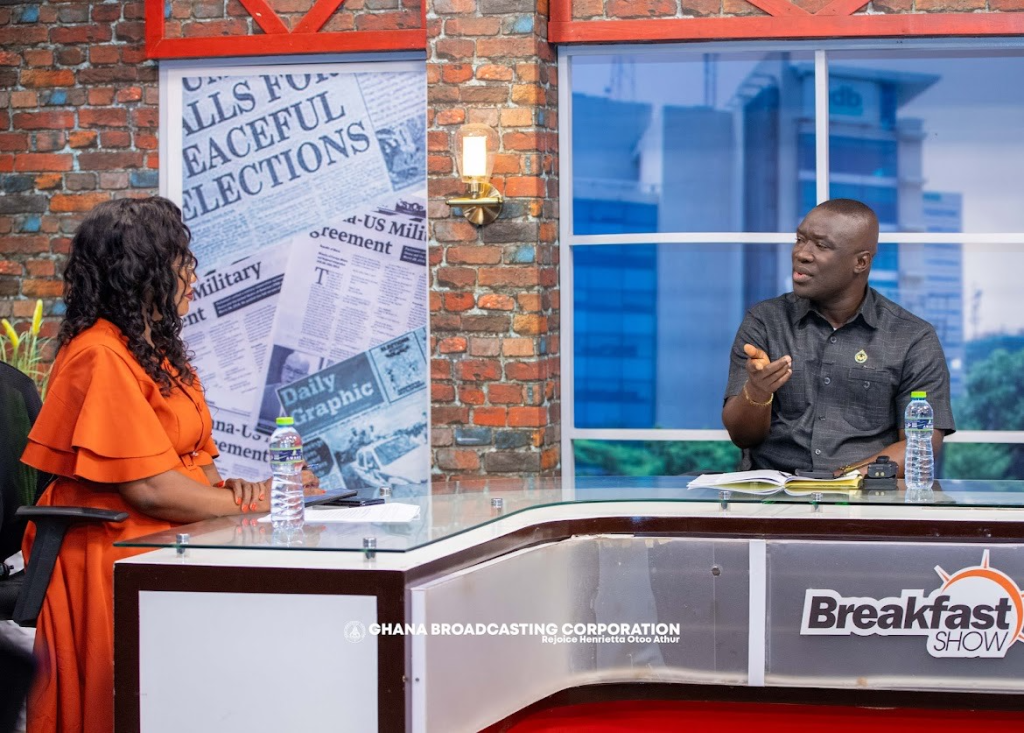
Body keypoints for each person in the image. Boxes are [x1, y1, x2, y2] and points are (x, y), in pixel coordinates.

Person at [20, 197, 273, 733]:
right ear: (141, 272)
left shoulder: (157, 354)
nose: (192, 275)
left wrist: (241, 494)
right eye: (181, 262)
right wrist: (255, 506)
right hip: (115, 546)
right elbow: (151, 491)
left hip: (165, 535)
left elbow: (197, 464)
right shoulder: (99, 354)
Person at [722, 199, 955, 476]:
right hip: (775, 492)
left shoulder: (912, 337)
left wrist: (842, 481)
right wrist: (757, 391)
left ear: (861, 262)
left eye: (821, 245)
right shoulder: (765, 321)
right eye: (800, 240)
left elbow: (921, 445)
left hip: (866, 492)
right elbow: (742, 437)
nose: (801, 254)